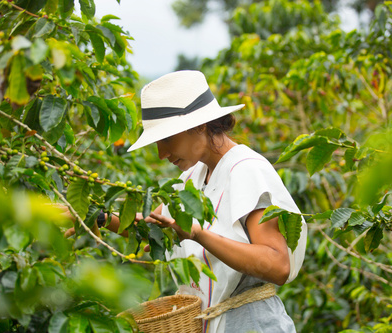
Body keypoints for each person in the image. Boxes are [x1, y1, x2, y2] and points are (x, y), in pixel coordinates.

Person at [123, 70, 308, 333]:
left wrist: (198, 234)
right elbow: (151, 227)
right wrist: (93, 217)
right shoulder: (192, 178)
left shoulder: (246, 170)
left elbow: (278, 264)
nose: (161, 153)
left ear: (199, 125)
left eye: (166, 139)